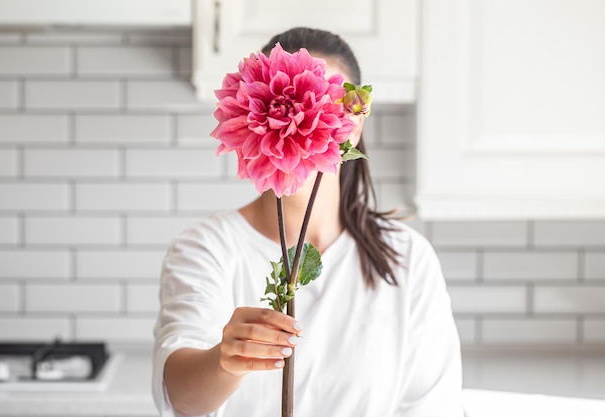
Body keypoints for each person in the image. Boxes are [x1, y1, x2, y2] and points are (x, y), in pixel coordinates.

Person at [153, 27, 463, 417]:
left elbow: (433, 406)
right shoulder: (207, 248)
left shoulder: (408, 257)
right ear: (249, 117)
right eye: (291, 105)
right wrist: (224, 360)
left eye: (328, 105)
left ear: (357, 120)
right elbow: (181, 397)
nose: (304, 118)